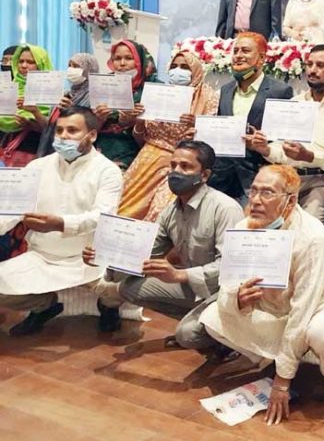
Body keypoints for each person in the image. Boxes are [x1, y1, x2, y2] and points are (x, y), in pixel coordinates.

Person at [198, 165, 324, 426]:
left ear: (291, 200)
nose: (255, 200)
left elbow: (304, 308)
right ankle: (278, 358)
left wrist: (282, 383)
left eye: (267, 193)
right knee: (212, 318)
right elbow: (227, 287)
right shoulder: (244, 226)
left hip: (322, 307)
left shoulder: (311, 238)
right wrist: (238, 299)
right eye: (253, 190)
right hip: (277, 310)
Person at [88, 141, 239, 335]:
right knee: (130, 288)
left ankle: (219, 333)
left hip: (224, 292)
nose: (176, 172)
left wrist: (179, 275)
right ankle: (201, 323)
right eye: (173, 165)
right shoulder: (171, 211)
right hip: (195, 287)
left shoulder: (225, 208)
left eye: (185, 167)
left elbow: (230, 268)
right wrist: (102, 257)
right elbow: (144, 252)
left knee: (187, 335)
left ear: (205, 175)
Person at [0, 107, 122, 335]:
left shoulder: (107, 171)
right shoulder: (38, 166)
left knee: (118, 288)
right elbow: (12, 211)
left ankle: (108, 307)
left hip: (87, 259)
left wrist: (59, 224)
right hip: (42, 255)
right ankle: (44, 306)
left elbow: (103, 216)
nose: (64, 136)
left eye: (72, 130)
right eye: (59, 130)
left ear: (92, 135)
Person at [248, 44, 324, 222]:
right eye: (309, 64)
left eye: (320, 66)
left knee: (307, 225)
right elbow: (279, 150)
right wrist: (265, 149)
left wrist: (309, 156)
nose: (312, 70)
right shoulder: (294, 104)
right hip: (288, 179)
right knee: (260, 218)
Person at [118, 50, 218, 221]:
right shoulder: (159, 94)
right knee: (124, 207)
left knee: (161, 211)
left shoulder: (208, 97)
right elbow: (140, 138)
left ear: (196, 71)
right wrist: (140, 120)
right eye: (174, 66)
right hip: (148, 160)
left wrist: (197, 124)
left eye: (185, 67)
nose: (178, 71)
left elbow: (211, 140)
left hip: (182, 164)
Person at [207, 32, 294, 200]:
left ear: (261, 58)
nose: (239, 56)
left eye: (245, 51)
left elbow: (284, 140)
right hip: (220, 178)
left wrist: (263, 144)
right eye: (236, 51)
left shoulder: (280, 91)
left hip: (257, 178)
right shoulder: (226, 90)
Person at [93, 39, 156, 171]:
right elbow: (89, 130)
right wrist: (100, 118)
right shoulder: (103, 84)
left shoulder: (151, 88)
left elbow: (158, 134)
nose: (122, 63)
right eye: (117, 58)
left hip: (137, 152)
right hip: (100, 148)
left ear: (139, 61)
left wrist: (133, 122)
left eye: (128, 58)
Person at [36, 53, 99, 158]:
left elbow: (93, 126)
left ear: (89, 70)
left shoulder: (94, 97)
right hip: (53, 149)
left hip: (79, 152)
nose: (70, 69)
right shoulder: (65, 94)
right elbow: (49, 126)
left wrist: (71, 110)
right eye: (69, 66)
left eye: (76, 66)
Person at [0, 44, 54, 167]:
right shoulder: (9, 86)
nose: (24, 66)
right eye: (20, 61)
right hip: (6, 148)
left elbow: (51, 129)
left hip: (34, 151)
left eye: (30, 62)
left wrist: (34, 115)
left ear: (41, 64)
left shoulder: (52, 91)